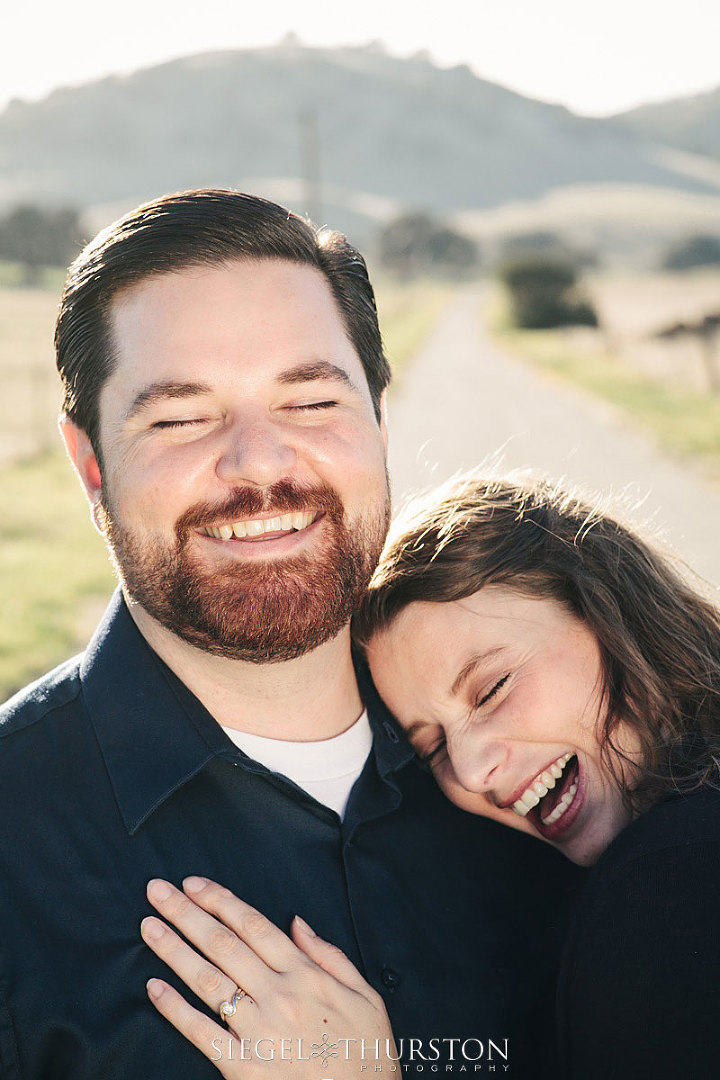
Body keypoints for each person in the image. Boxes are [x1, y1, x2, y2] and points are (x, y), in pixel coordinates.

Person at [0, 193, 580, 1079]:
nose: (260, 462)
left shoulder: (549, 766)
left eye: (309, 401)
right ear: (91, 466)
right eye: (180, 417)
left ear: (379, 420)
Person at [143, 471, 720, 1079]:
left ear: (608, 612)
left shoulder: (670, 881)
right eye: (433, 748)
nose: (472, 772)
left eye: (493, 689)